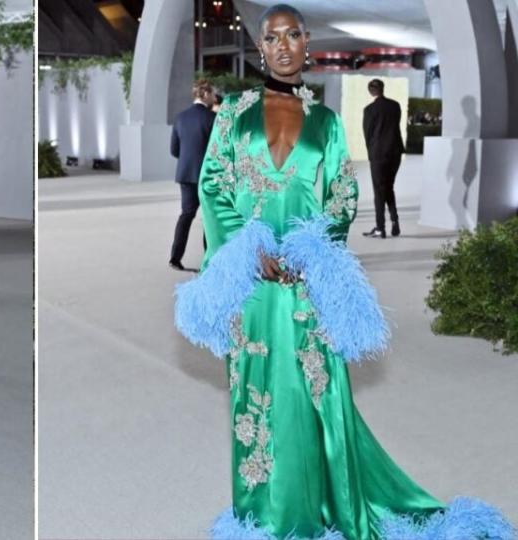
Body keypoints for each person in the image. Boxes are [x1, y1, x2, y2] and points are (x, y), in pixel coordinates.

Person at [174, 5, 514, 539]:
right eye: (272, 37)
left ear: (307, 43)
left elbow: (340, 198)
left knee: (318, 396)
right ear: (260, 48)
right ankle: (265, 517)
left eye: (292, 35)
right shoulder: (234, 113)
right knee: (257, 397)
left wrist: (310, 253)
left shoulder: (327, 123)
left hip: (310, 285)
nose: (283, 45)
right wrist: (247, 246)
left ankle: (330, 508)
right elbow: (213, 185)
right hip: (254, 287)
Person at [169, 79, 216, 271]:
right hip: (207, 176)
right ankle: (209, 260)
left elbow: (174, 150)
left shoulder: (180, 117)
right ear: (205, 94)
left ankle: (175, 257)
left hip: (186, 175)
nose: (215, 97)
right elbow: (217, 149)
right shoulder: (212, 119)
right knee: (209, 219)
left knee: (186, 215)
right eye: (213, 93)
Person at [362, 78, 404, 238]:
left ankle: (380, 227)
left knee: (379, 192)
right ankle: (395, 222)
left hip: (379, 154)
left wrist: (371, 153)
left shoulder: (369, 110)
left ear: (370, 91)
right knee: (388, 188)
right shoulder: (395, 106)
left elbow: (368, 134)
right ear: (383, 89)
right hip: (395, 152)